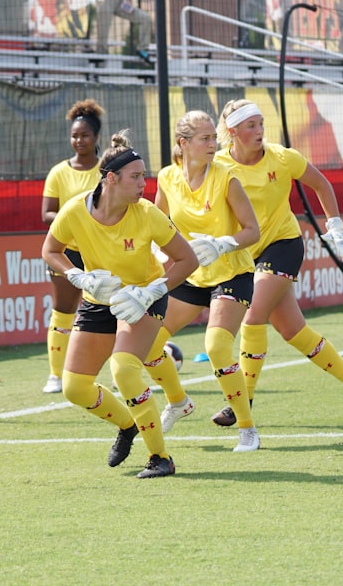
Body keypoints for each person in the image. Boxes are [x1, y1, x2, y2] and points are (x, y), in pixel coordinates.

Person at [41, 130, 199, 479]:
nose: (144, 183)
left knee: (124, 369)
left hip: (144, 298)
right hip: (99, 301)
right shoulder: (75, 210)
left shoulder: (147, 213)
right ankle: (128, 425)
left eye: (144, 176)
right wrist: (77, 276)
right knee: (75, 388)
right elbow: (50, 250)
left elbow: (188, 260)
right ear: (111, 179)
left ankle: (160, 457)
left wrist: (151, 291)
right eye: (136, 177)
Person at [209, 99, 343, 426]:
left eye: (261, 123)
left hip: (284, 245)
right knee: (292, 330)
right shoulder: (217, 166)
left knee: (253, 316)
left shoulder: (283, 157)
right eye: (251, 126)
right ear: (233, 132)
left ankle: (243, 401)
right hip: (248, 253)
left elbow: (321, 184)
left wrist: (336, 227)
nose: (260, 130)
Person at [140, 110, 264, 452]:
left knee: (217, 347)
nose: (213, 144)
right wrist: (153, 254)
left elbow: (252, 231)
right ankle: (178, 402)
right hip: (191, 274)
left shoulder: (226, 177)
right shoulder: (167, 177)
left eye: (214, 138)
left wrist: (222, 244)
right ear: (183, 143)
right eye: (205, 138)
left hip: (232, 273)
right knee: (147, 344)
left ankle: (248, 429)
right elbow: (158, 224)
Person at [39, 99, 106, 394]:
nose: (79, 141)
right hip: (66, 251)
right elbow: (46, 214)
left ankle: (114, 373)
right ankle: (56, 375)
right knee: (64, 311)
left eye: (85, 135)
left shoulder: (107, 170)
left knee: (110, 311)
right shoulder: (58, 172)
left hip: (103, 250)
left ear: (96, 137)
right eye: (74, 136)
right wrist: (75, 221)